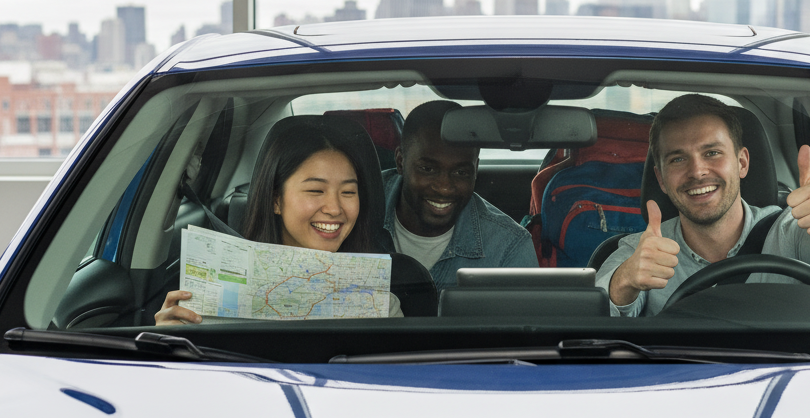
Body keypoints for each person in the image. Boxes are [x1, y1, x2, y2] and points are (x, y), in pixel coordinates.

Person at [597, 94, 810, 316]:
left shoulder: (792, 232)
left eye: (711, 152)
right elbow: (596, 310)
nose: (697, 171)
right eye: (678, 159)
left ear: (742, 163)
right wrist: (626, 282)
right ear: (660, 179)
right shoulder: (642, 250)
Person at [157, 115, 403, 323]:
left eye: (348, 192)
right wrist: (169, 343)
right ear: (276, 200)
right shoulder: (213, 294)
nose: (335, 208)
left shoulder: (379, 304)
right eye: (316, 190)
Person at [382, 99, 538, 288]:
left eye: (461, 172)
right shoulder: (352, 210)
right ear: (400, 161)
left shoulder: (508, 247)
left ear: (476, 169)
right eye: (428, 169)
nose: (444, 187)